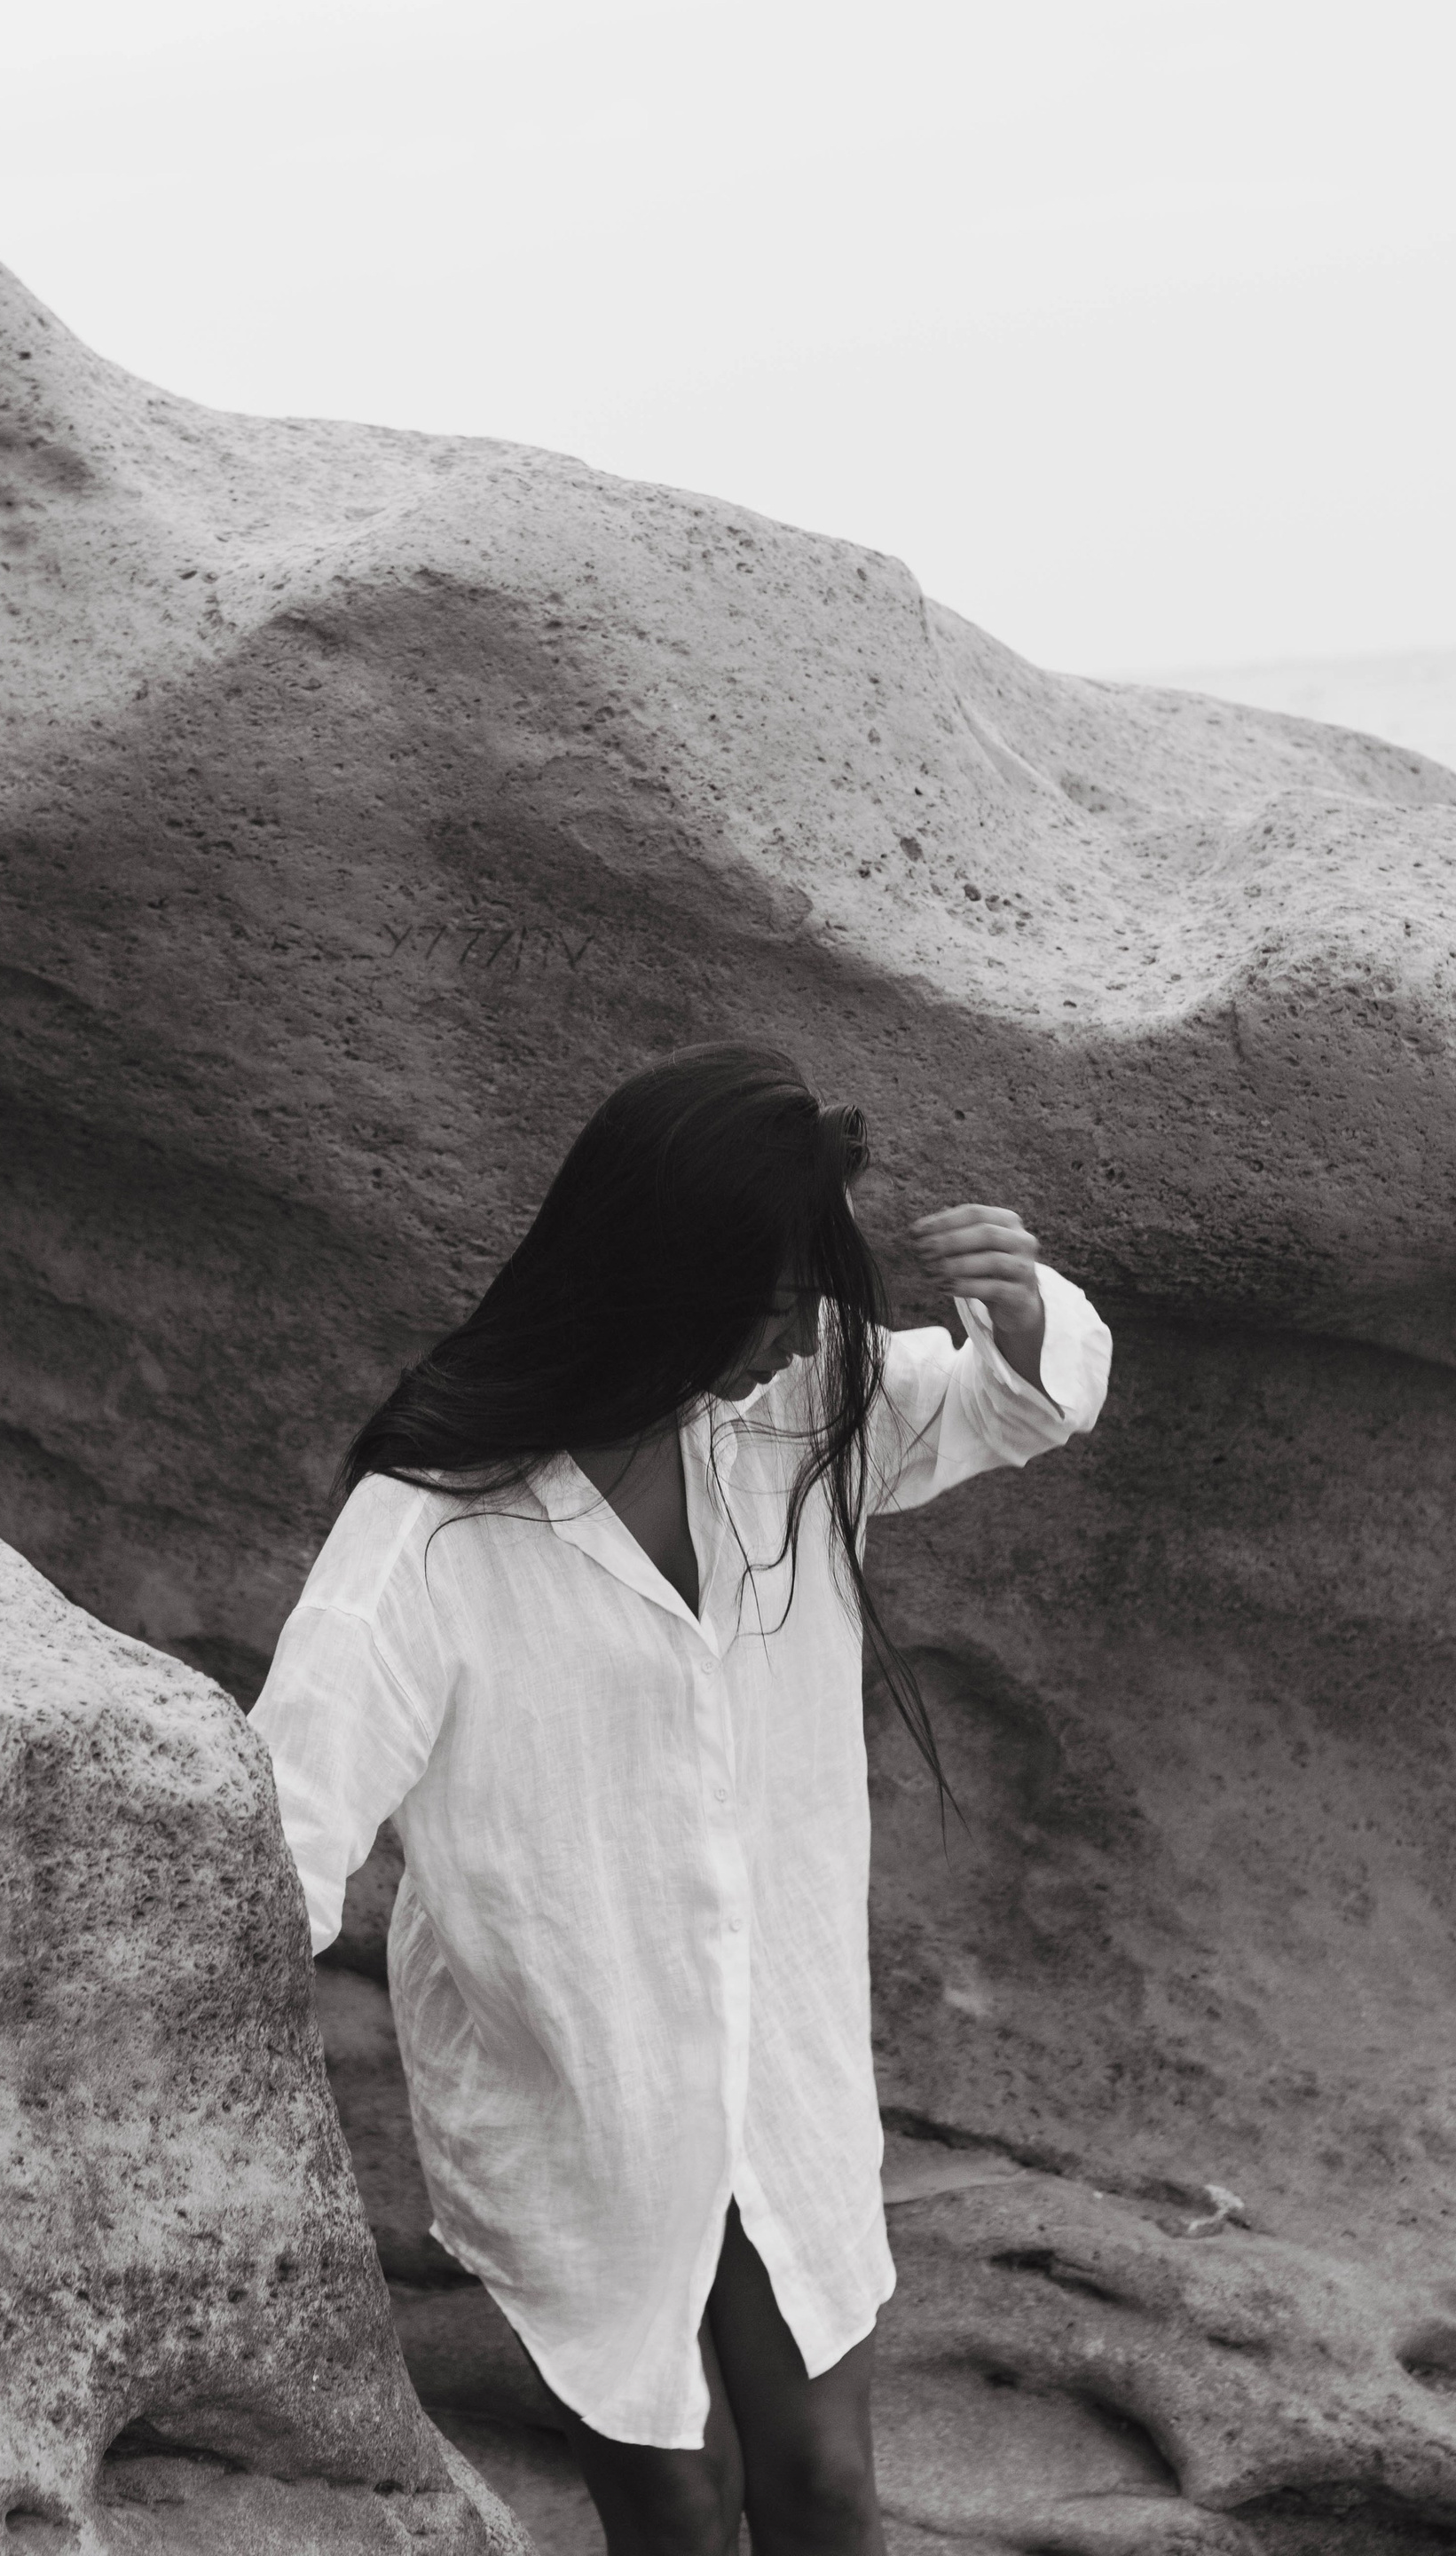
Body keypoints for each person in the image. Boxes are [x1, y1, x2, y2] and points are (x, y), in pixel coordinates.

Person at [249, 1044, 1112, 2556]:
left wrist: (1026, 1309)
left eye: (810, 1298)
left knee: (827, 2485)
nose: (800, 1337)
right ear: (657, 1281)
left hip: (782, 2052)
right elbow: (286, 1821)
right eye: (766, 1303)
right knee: (674, 2494)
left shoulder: (797, 1414)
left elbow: (1010, 1402)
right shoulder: (431, 1535)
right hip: (584, 2070)